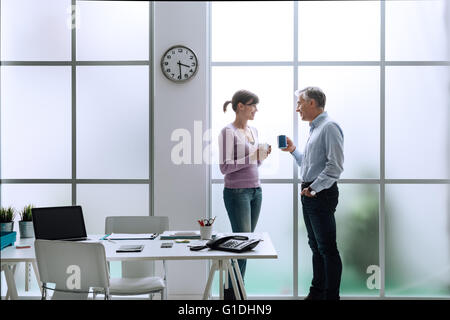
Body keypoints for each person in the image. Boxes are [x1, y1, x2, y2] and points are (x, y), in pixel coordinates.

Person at [281, 86, 344, 300]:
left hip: (320, 193)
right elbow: (307, 165)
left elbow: (335, 167)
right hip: (309, 192)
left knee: (327, 248)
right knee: (316, 247)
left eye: (300, 103)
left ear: (311, 103)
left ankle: (330, 296)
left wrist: (314, 188)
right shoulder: (315, 129)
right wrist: (293, 151)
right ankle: (316, 293)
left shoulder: (329, 127)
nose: (297, 108)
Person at [218, 89, 271, 300]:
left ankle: (235, 290)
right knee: (242, 244)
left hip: (255, 191)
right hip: (236, 192)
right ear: (241, 106)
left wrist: (261, 157)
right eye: (253, 105)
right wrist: (252, 156)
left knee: (246, 243)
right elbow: (224, 167)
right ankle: (233, 294)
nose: (256, 110)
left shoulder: (254, 131)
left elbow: (254, 162)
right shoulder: (227, 132)